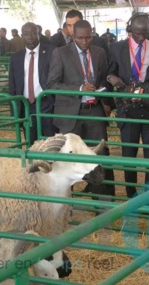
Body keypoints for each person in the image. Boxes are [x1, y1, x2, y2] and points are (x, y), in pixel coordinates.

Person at [47, 20, 115, 197]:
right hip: (70, 113)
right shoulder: (60, 53)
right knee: (67, 158)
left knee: (98, 156)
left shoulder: (99, 53)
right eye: (80, 38)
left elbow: (102, 78)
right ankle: (64, 202)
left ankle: (100, 201)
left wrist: (103, 95)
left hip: (95, 111)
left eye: (88, 37)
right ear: (72, 35)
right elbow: (52, 84)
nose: (84, 42)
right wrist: (79, 88)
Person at [107, 13, 149, 198]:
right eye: (137, 33)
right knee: (128, 154)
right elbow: (109, 72)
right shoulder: (116, 48)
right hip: (126, 108)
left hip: (147, 107)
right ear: (130, 29)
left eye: (145, 33)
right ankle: (131, 193)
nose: (141, 38)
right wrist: (111, 77)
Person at [8, 22, 57, 145]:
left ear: (39, 34)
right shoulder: (16, 58)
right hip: (26, 106)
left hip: (46, 104)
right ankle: (34, 163)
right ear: (21, 35)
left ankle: (51, 163)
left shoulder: (52, 52)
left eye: (34, 33)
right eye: (26, 34)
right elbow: (12, 86)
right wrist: (14, 112)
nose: (30, 37)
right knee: (30, 141)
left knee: (50, 141)